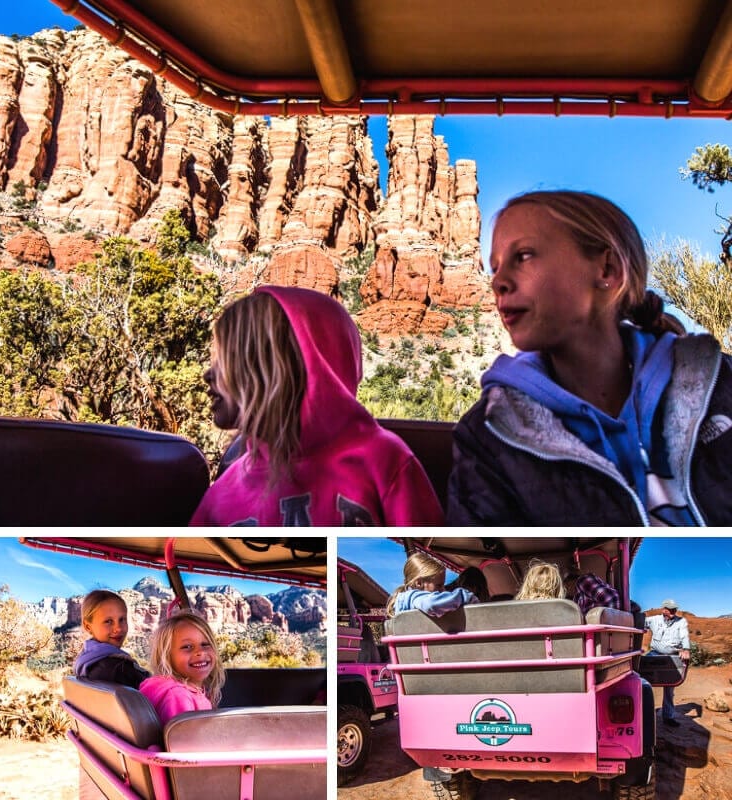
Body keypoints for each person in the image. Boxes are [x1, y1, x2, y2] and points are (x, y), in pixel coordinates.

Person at [447, 189, 732, 526]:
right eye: (495, 267)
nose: (499, 282)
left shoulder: (719, 384)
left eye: (523, 256)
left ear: (607, 270)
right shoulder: (489, 436)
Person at [190, 285, 444, 526]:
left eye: (226, 360)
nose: (208, 374)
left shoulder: (382, 459)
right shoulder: (220, 496)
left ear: (284, 369)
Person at [139, 611, 226, 726]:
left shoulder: (192, 690)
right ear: (166, 656)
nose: (200, 652)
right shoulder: (178, 696)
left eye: (205, 644)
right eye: (187, 647)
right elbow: (186, 741)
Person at [73, 590, 150, 689]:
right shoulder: (119, 669)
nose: (118, 628)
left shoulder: (85, 660)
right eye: (108, 621)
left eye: (122, 619)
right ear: (88, 627)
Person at [386, 552, 478, 617]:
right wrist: (464, 596)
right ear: (419, 583)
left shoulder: (408, 601)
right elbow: (431, 604)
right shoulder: (415, 597)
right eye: (439, 585)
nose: (443, 590)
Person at [644, 599, 691, 728]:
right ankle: (642, 714)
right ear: (663, 609)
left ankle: (668, 716)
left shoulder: (681, 622)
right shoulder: (654, 620)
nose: (673, 611)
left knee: (670, 686)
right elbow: (637, 624)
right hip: (655, 654)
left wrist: (686, 649)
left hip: (672, 656)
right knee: (642, 680)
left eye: (674, 609)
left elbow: (684, 636)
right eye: (670, 609)